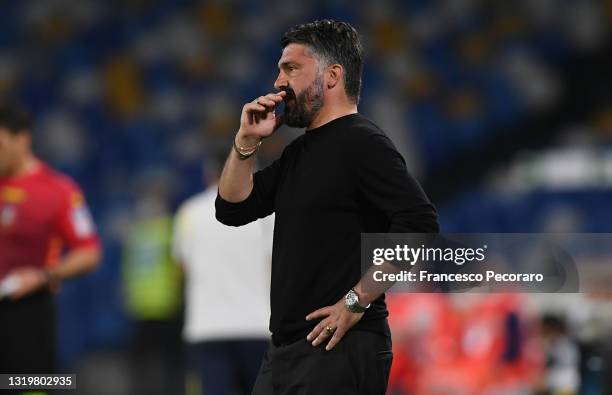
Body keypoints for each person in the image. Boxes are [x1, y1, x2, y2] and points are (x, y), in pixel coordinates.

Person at [215, 20, 439, 394]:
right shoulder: (298, 153)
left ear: (332, 76)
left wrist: (356, 300)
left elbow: (419, 224)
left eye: (291, 68)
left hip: (340, 347)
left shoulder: (363, 142)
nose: (278, 82)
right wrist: (246, 141)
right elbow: (232, 209)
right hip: (285, 351)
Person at [0, 102, 101, 375]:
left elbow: (89, 252)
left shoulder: (58, 191)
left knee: (29, 385)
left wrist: (43, 276)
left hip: (27, 312)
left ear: (22, 138)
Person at [173, 156, 273, 395]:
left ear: (208, 174)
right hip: (256, 324)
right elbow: (275, 264)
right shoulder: (268, 213)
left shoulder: (189, 212)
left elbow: (181, 265)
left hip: (208, 326)